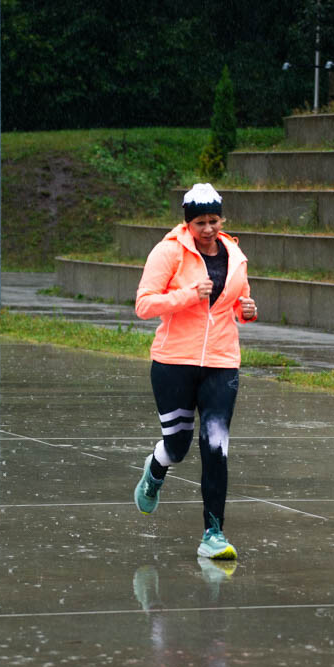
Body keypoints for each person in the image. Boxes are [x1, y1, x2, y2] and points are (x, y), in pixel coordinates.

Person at [133, 183, 258, 560]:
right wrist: (189, 294)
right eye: (200, 222)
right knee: (178, 447)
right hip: (174, 363)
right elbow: (144, 305)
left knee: (216, 446)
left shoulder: (235, 255)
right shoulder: (168, 252)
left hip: (222, 362)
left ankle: (213, 534)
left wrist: (246, 312)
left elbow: (237, 302)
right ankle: (156, 469)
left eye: (213, 221)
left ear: (222, 219)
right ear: (188, 223)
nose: (207, 229)